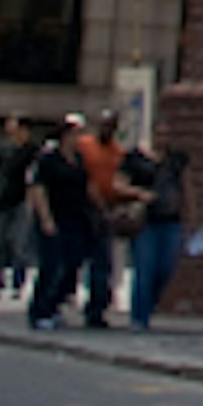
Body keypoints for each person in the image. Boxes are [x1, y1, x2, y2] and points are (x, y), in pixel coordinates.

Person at [26, 115, 99, 328]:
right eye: (76, 133)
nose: (80, 137)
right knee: (51, 265)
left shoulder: (78, 160)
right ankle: (40, 310)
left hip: (75, 219)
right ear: (65, 135)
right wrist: (46, 219)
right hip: (54, 218)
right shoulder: (49, 159)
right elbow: (38, 189)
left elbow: (87, 187)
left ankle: (55, 304)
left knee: (72, 264)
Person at [78, 107, 140, 327]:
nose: (108, 129)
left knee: (102, 261)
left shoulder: (117, 153)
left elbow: (120, 182)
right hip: (82, 208)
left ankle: (96, 308)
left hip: (106, 209)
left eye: (112, 125)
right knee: (73, 259)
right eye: (105, 124)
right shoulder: (84, 146)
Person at [126, 134, 189, 329]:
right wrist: (140, 194)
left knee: (165, 267)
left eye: (166, 134)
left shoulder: (176, 160)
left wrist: (191, 213)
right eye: (159, 134)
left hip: (171, 220)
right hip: (146, 221)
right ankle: (139, 316)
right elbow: (119, 183)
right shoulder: (136, 159)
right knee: (145, 268)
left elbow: (186, 186)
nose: (162, 138)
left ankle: (150, 303)